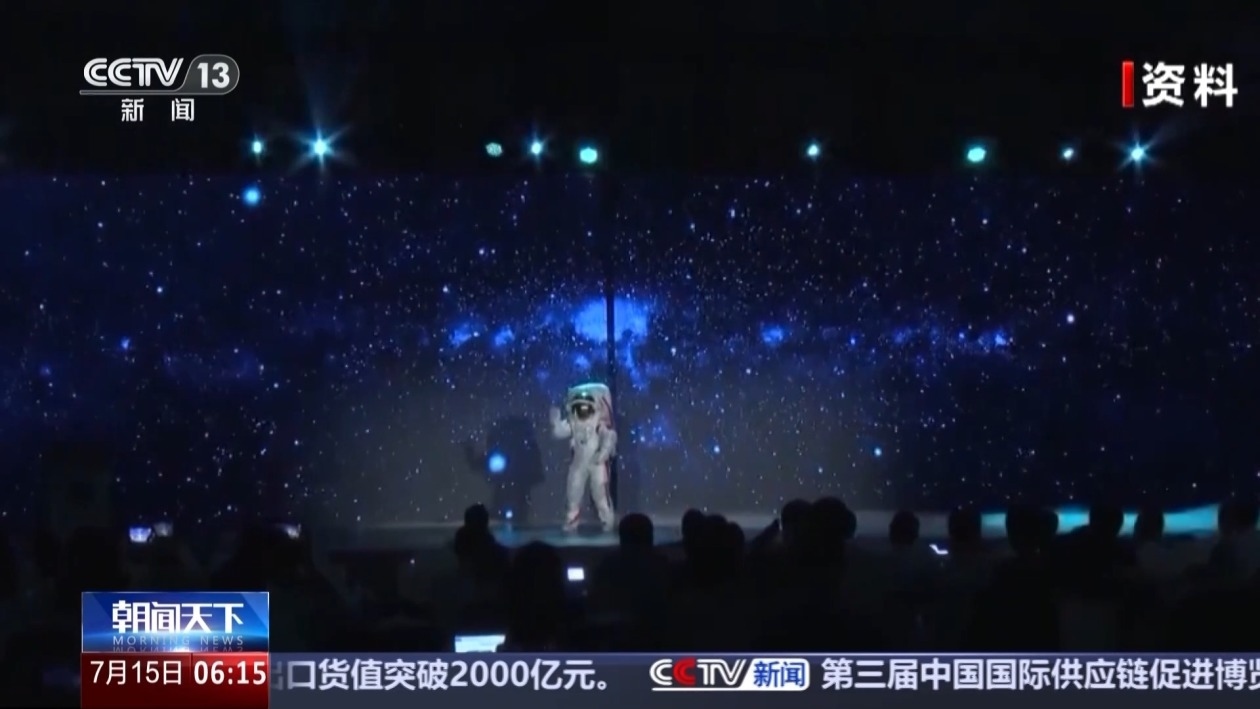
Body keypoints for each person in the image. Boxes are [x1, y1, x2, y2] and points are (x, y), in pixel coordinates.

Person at [549, 383, 618, 532]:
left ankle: (607, 521)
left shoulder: (598, 424)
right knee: (573, 493)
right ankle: (571, 521)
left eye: (586, 407)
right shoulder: (573, 423)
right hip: (578, 464)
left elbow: (609, 437)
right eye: (579, 407)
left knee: (600, 494)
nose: (583, 410)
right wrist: (555, 421)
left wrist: (603, 453)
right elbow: (559, 432)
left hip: (596, 464)